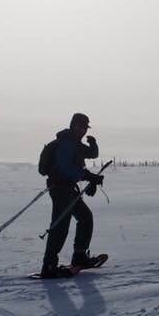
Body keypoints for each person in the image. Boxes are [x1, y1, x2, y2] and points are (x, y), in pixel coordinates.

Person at [41, 113, 105, 278]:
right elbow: (66, 168)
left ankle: (79, 256)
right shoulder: (66, 143)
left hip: (69, 189)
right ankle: (49, 265)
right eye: (79, 127)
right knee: (60, 226)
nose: (82, 131)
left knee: (85, 217)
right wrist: (87, 176)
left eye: (84, 128)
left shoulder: (75, 144)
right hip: (60, 189)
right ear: (72, 125)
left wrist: (93, 143)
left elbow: (91, 154)